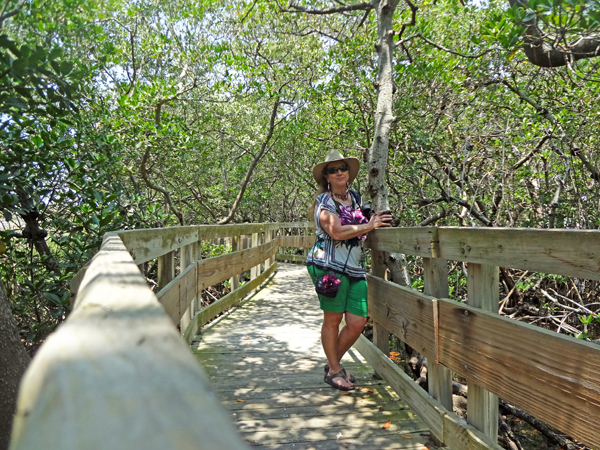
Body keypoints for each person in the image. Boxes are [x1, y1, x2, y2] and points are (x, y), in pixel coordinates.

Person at [307, 150, 392, 391]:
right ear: (327, 176)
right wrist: (368, 224)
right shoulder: (325, 201)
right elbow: (335, 231)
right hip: (328, 266)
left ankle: (332, 363)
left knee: (357, 321)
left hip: (354, 267)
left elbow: (363, 224)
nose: (339, 172)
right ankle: (334, 370)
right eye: (333, 170)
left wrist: (377, 220)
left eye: (342, 167)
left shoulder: (355, 198)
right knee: (333, 319)